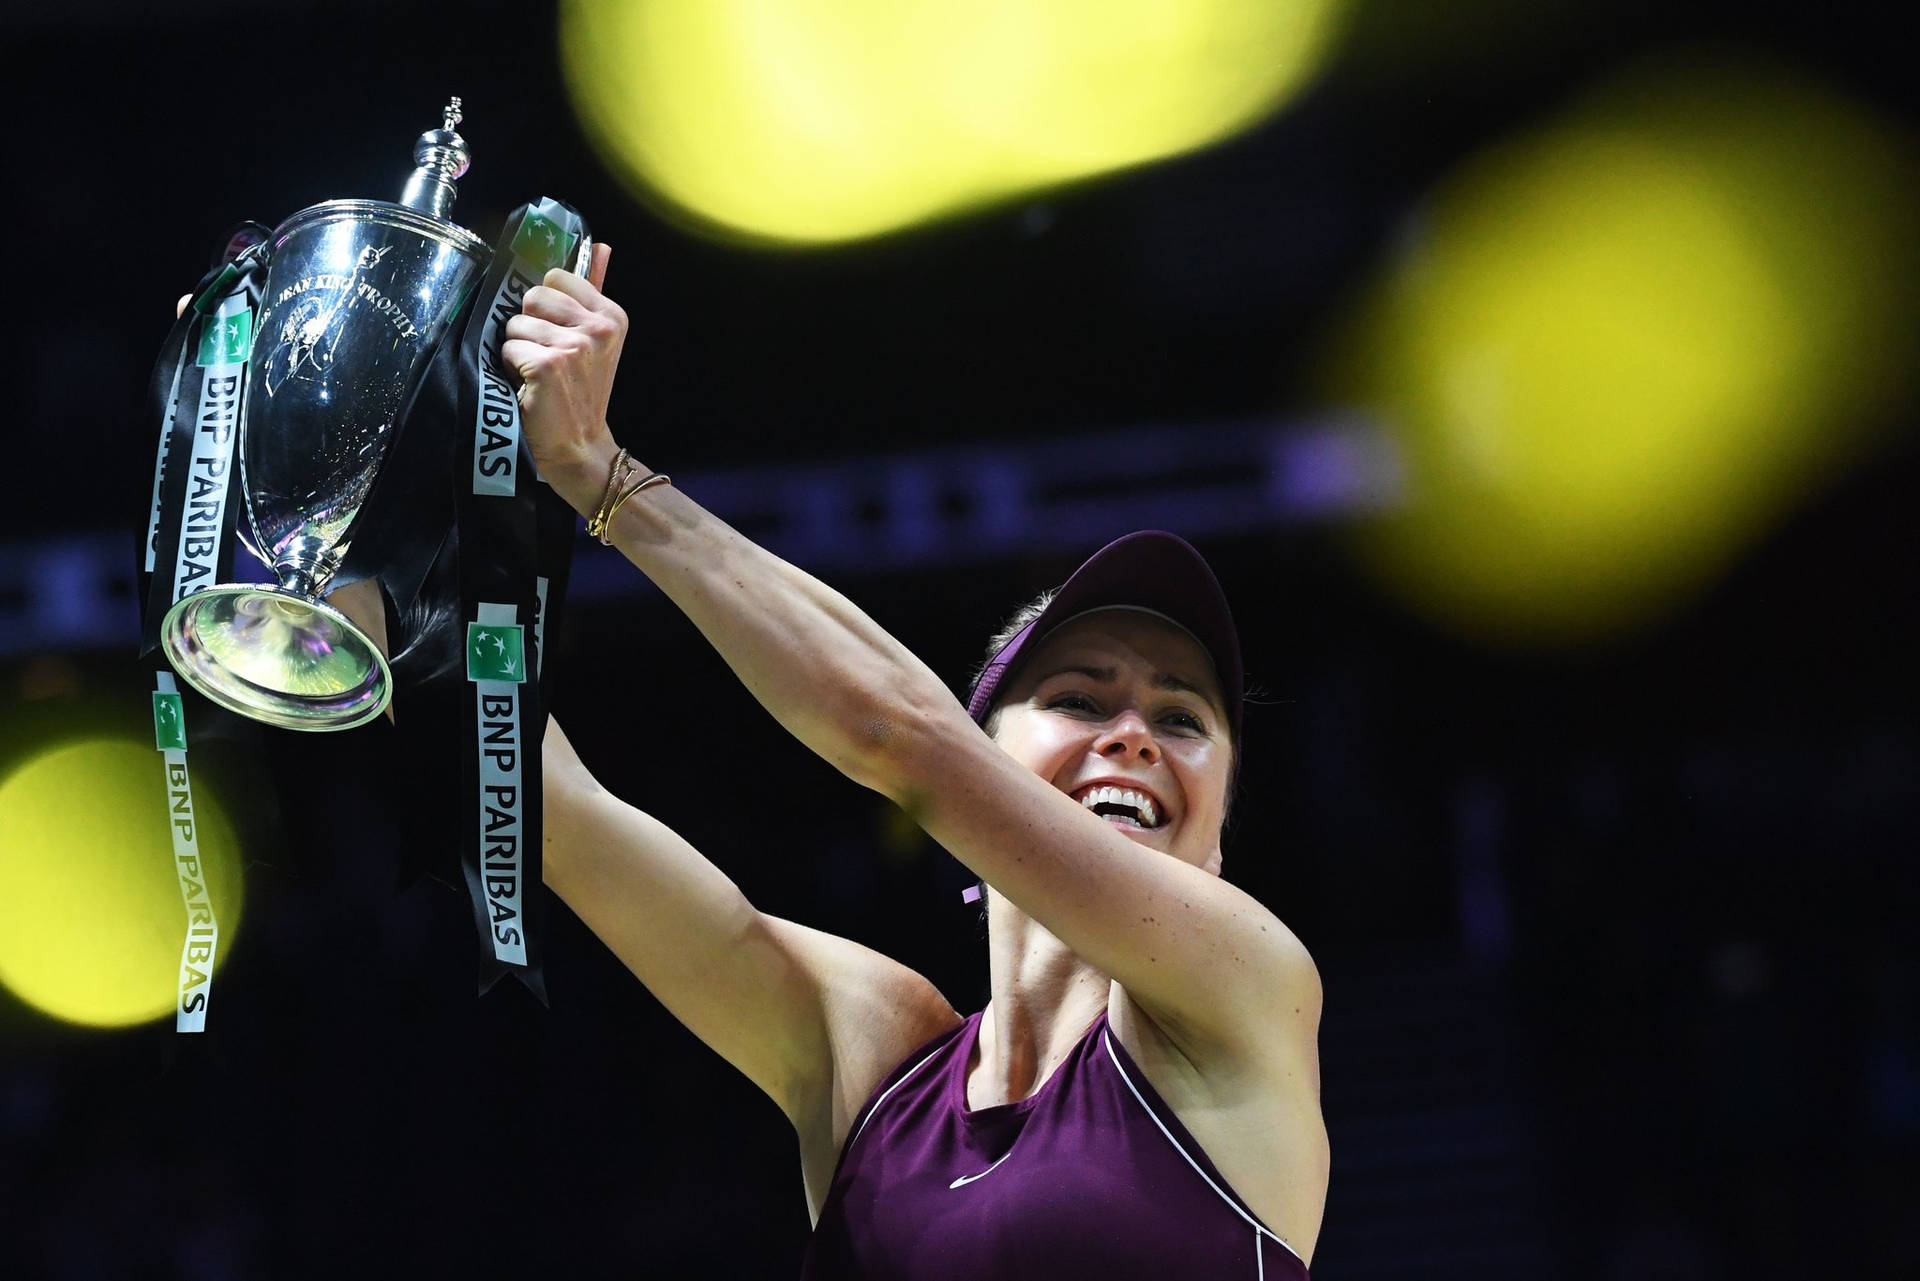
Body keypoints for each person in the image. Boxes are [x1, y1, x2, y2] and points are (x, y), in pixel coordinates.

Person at [512, 247, 1329, 1277]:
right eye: (1078, 698)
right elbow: (555, 816)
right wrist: (395, 577)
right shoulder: (880, 1061)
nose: (1132, 735)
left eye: (1182, 721)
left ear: (1219, 844)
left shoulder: (1249, 993)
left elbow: (896, 735)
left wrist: (601, 476)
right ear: (986, 776)